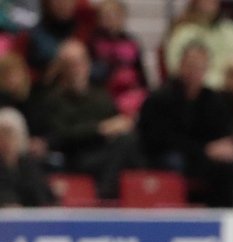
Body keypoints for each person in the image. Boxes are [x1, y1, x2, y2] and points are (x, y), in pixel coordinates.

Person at [138, 41, 233, 207]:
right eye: (191, 65)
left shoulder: (212, 99)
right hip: (167, 155)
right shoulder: (160, 99)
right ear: (181, 65)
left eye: (200, 66)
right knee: (174, 162)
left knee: (229, 166)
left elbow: (223, 131)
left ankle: (221, 217)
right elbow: (157, 138)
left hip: (202, 158)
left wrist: (226, 147)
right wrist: (203, 149)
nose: (195, 71)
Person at [42, 39, 143, 199]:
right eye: (70, 64)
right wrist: (100, 129)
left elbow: (115, 121)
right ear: (62, 68)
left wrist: (123, 124)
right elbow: (60, 136)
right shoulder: (54, 99)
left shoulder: (100, 95)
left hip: (105, 151)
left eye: (80, 62)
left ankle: (136, 197)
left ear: (88, 64)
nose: (76, 68)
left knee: (130, 141)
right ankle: (106, 196)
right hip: (75, 156)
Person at [164, 0, 233, 89]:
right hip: (196, 91)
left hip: (231, 90)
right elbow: (175, 68)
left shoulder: (232, 30)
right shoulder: (182, 33)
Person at [87, 0, 148, 117]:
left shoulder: (131, 42)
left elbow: (141, 72)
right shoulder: (94, 42)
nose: (111, 19)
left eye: (115, 15)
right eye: (106, 16)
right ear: (99, 19)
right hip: (105, 91)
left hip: (131, 92)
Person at [0, 106, 56, 206]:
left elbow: (41, 195)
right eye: (2, 134)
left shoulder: (29, 164)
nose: (5, 140)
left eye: (9, 134)